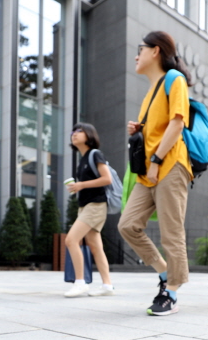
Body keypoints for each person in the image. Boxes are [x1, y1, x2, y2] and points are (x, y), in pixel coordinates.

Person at [119, 30, 192, 316]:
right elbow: (160, 126)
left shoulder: (176, 80)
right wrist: (140, 128)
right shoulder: (151, 91)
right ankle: (165, 272)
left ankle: (171, 292)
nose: (137, 56)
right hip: (147, 172)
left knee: (171, 233)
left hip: (170, 165)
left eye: (141, 49)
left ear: (156, 51)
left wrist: (158, 159)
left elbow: (177, 124)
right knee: (127, 225)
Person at [63, 123, 115, 297]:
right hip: (85, 205)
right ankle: (107, 286)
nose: (74, 134)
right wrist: (77, 187)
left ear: (89, 135)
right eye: (73, 132)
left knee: (71, 240)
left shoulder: (95, 154)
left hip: (95, 205)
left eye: (79, 131)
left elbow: (107, 179)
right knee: (95, 246)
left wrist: (81, 185)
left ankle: (80, 282)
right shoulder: (83, 160)